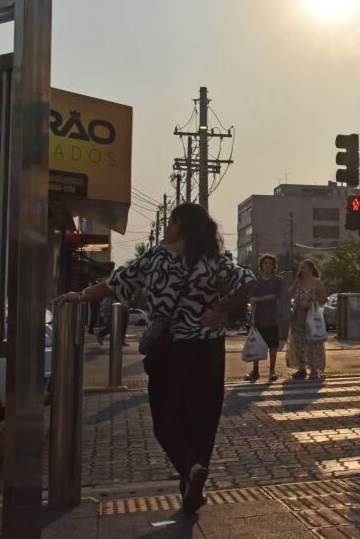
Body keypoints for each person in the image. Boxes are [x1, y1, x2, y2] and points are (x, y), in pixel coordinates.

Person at [53, 203, 255, 513]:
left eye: (171, 221)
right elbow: (247, 281)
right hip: (209, 350)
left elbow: (113, 285)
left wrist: (78, 296)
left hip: (171, 349)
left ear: (177, 225)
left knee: (166, 422)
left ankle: (190, 470)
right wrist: (223, 306)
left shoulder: (156, 257)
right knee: (202, 422)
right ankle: (192, 485)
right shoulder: (212, 259)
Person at [246, 254, 291, 381]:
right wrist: (253, 318)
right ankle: (255, 370)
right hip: (258, 317)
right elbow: (253, 302)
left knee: (272, 345)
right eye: (265, 263)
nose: (267, 266)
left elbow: (274, 296)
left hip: (272, 317)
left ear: (273, 266)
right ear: (261, 266)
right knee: (256, 344)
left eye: (270, 264)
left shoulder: (278, 280)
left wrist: (257, 299)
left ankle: (272, 370)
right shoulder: (256, 281)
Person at [285, 259, 328, 379]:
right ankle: (301, 368)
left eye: (303, 267)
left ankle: (314, 369)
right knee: (298, 343)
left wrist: (310, 304)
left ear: (310, 268)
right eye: (300, 267)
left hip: (311, 316)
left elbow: (324, 298)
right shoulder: (299, 281)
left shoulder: (316, 282)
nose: (301, 269)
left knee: (312, 344)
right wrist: (296, 281)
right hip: (298, 316)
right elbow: (288, 294)